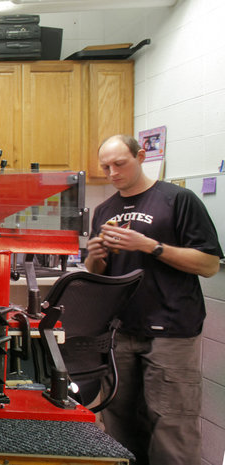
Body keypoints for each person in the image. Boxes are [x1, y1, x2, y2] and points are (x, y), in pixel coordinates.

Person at [85, 134, 222, 465]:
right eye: (105, 167)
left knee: (171, 423)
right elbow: (97, 273)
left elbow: (209, 264)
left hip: (171, 331)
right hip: (120, 331)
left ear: (141, 155)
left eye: (120, 163)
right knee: (118, 421)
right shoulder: (105, 210)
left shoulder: (178, 200)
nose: (113, 172)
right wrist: (95, 256)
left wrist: (149, 246)